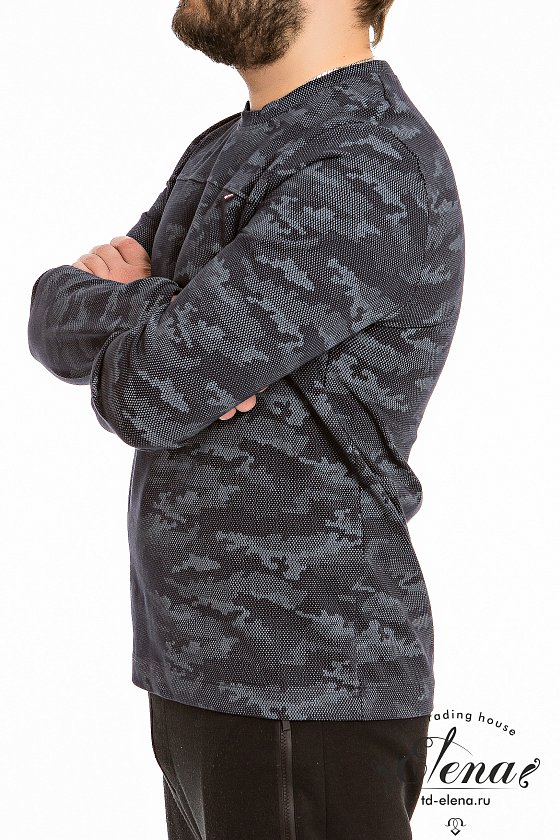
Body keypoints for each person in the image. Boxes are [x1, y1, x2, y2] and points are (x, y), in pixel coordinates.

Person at [27, 0, 465, 837]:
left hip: (301, 680)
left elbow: (154, 390)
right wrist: (173, 313)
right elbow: (50, 318)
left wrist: (164, 332)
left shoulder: (364, 159)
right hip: (201, 674)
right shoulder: (229, 144)